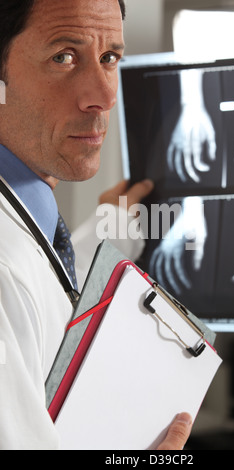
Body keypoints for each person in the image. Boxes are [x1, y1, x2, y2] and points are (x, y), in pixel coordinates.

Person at [0, 0, 192, 450]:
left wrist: (115, 228)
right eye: (63, 57)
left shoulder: (24, 231)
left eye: (109, 58)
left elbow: (46, 287)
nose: (104, 96)